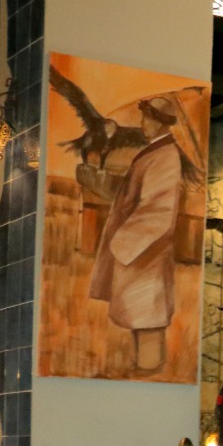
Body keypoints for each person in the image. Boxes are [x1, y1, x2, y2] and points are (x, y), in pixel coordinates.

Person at [85, 95, 190, 372]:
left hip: (146, 251)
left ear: (161, 123)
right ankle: (144, 368)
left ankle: (149, 370)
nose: (143, 124)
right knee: (139, 313)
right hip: (140, 250)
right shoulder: (155, 151)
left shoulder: (165, 156)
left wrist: (123, 241)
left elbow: (159, 209)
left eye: (148, 119)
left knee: (148, 316)